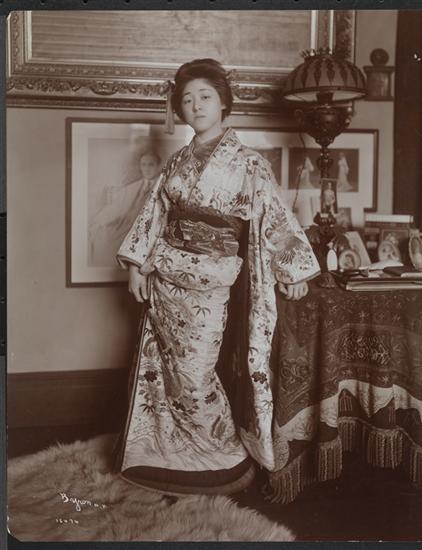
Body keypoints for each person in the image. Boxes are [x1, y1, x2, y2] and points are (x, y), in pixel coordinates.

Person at [112, 58, 320, 496]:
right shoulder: (176, 162)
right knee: (164, 371)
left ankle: (220, 452)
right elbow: (154, 214)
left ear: (224, 102)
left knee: (195, 373)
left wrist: (293, 268)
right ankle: (171, 453)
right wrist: (135, 265)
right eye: (187, 99)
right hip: (164, 276)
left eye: (205, 96)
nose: (196, 105)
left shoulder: (249, 163)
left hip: (211, 280)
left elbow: (272, 215)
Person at [89, 151, 162, 266]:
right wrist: (98, 220)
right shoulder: (132, 187)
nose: (147, 169)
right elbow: (116, 208)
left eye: (151, 165)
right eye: (143, 165)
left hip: (147, 230)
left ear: (158, 166)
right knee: (100, 235)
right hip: (125, 226)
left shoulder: (163, 186)